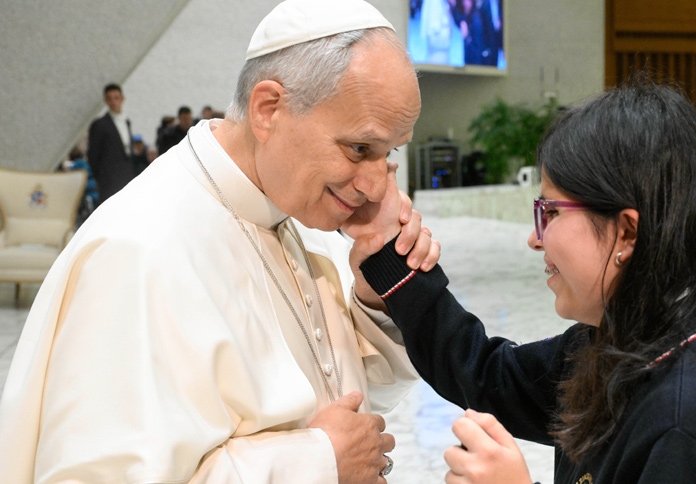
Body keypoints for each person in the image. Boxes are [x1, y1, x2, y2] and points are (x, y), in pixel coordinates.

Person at [0, 0, 438, 482]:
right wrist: (315, 462)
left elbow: (361, 393)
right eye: (360, 148)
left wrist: (374, 297)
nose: (378, 186)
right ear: (269, 109)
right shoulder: (139, 251)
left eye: (389, 152)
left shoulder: (296, 210)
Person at [352, 81, 696, 483]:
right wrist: (392, 260)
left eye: (549, 213)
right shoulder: (627, 338)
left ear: (626, 231)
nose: (534, 238)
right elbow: (488, 374)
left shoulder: (694, 420)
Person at [86, 83, 136, 203]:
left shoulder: (126, 122)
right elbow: (93, 155)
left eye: (116, 98)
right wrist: (101, 178)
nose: (113, 102)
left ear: (122, 99)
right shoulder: (99, 125)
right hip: (109, 180)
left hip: (127, 176)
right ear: (106, 101)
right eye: (110, 99)